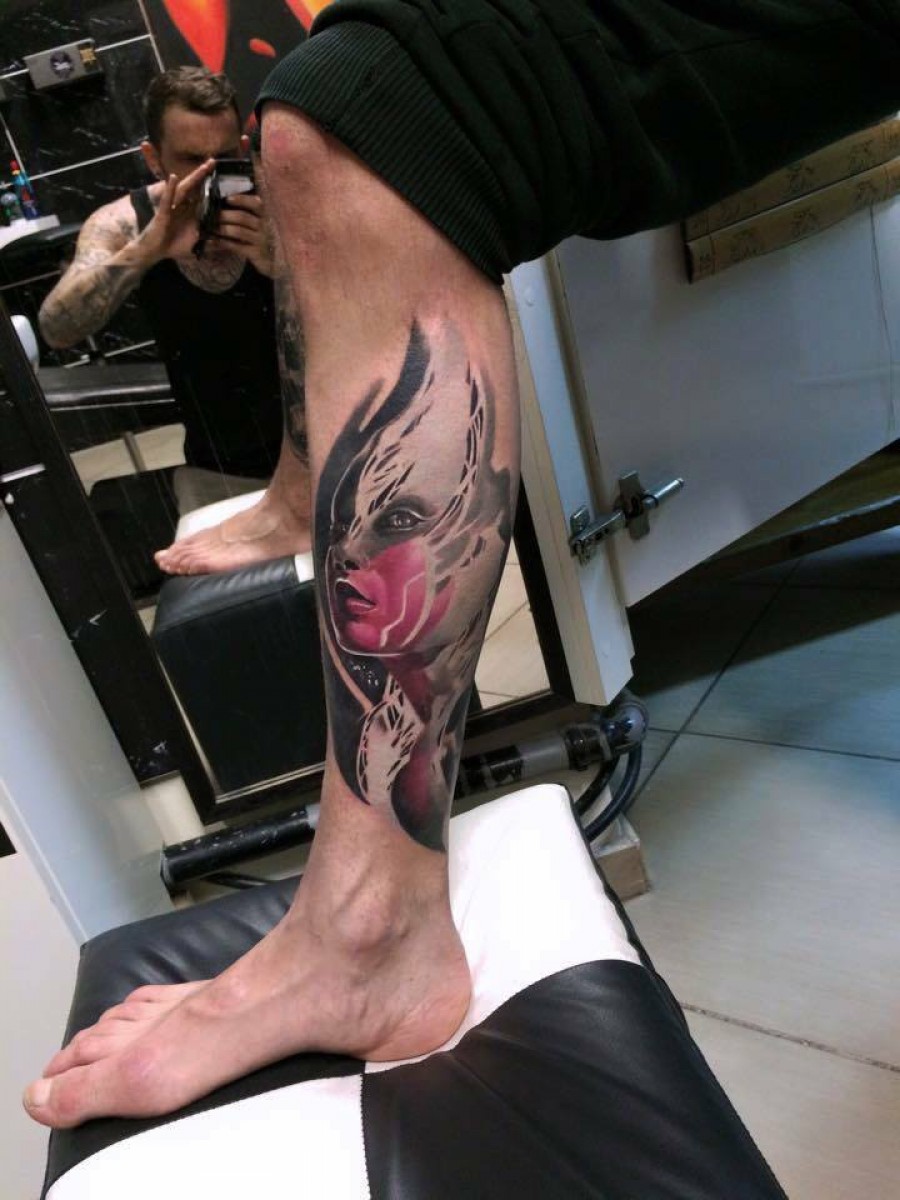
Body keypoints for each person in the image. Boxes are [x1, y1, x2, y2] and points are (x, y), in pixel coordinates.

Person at [24, 0, 900, 1128]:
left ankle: (369, 928)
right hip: (219, 437)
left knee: (362, 107)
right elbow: (60, 323)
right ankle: (303, 487)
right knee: (337, 101)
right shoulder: (123, 216)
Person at [38, 66, 313, 575]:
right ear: (153, 158)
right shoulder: (126, 223)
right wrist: (147, 250)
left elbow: (368, 312)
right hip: (217, 466)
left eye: (223, 157)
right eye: (190, 160)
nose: (208, 175)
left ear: (244, 146)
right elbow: (57, 327)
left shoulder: (284, 203)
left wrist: (279, 265)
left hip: (322, 445)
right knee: (237, 605)